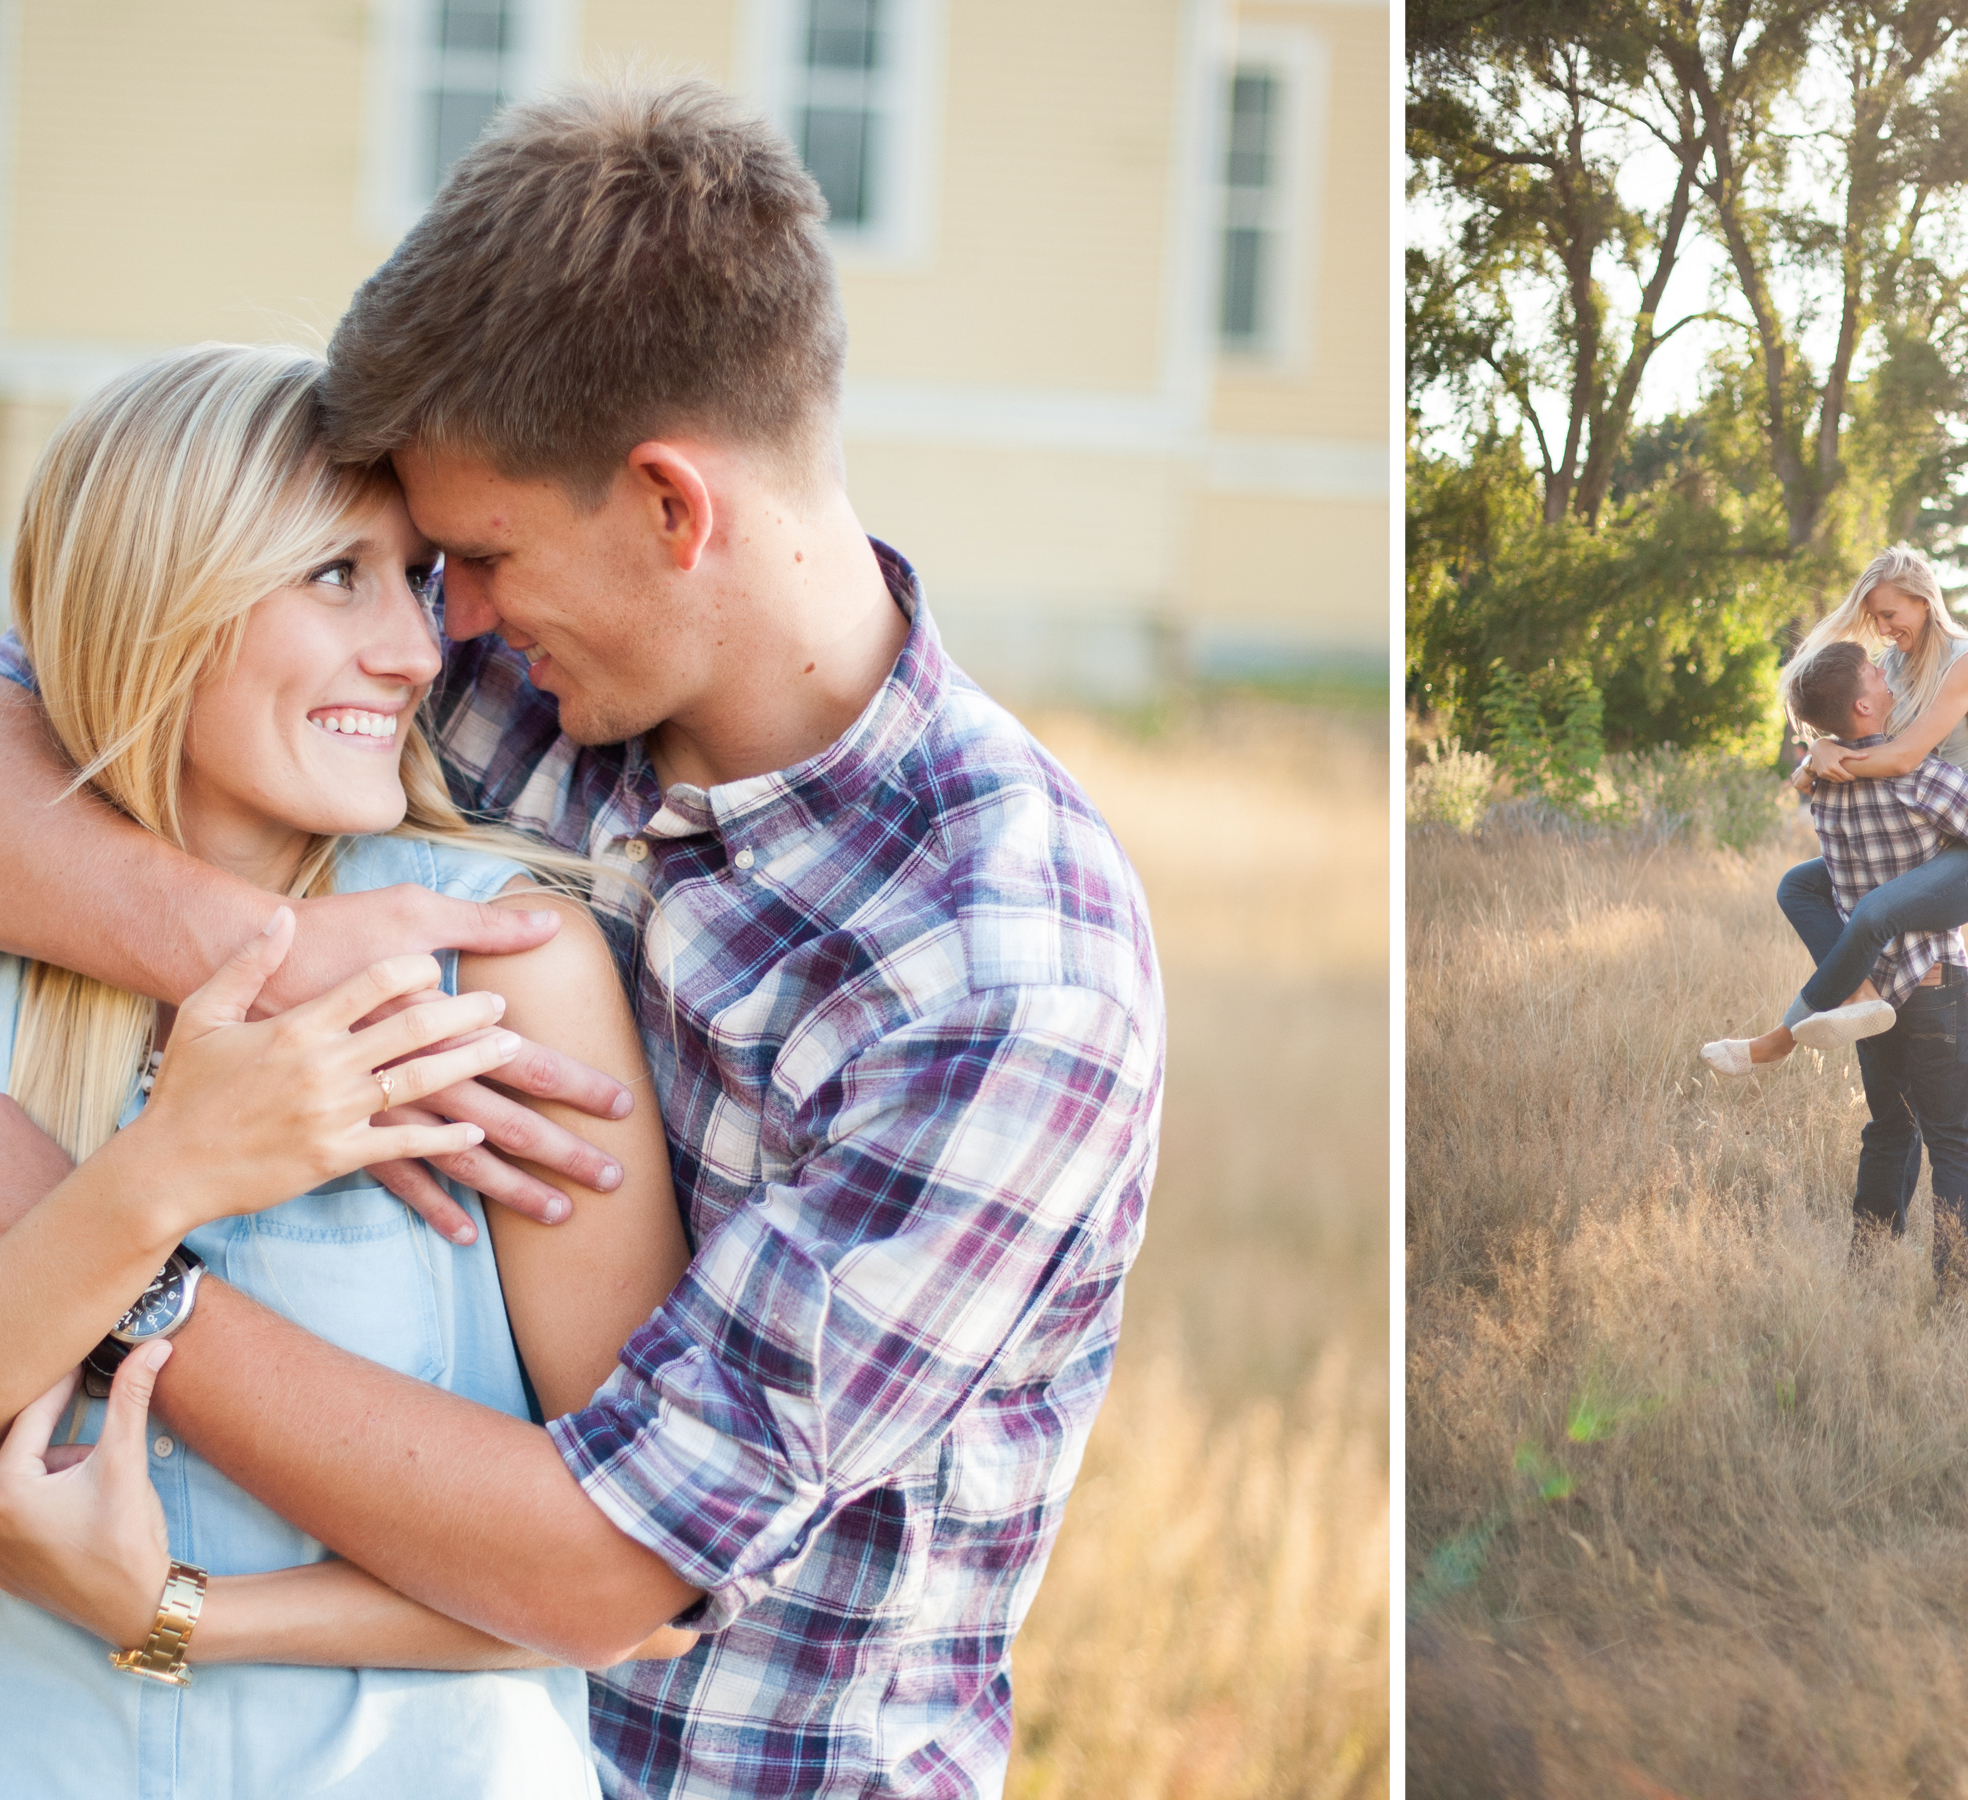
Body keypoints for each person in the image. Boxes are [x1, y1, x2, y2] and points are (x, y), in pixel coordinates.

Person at [0, 80, 1162, 1800]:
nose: (430, 632)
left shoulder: (1004, 971)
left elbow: (611, 1566)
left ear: (672, 507)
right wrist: (250, 946)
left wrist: (118, 1233)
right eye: (395, 571)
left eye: (469, 557)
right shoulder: (505, 683)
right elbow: (94, 693)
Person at [0, 343, 696, 1794]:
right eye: (335, 577)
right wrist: (169, 1171)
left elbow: (637, 1578)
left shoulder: (508, 967)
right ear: (155, 599)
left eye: (415, 583)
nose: (417, 653)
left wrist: (181, 1621)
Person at [1771, 639, 1968, 1295]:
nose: (1888, 676)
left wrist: (1820, 753)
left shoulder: (1823, 787)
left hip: (1874, 994)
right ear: (1864, 704)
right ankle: (1952, 1299)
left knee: (1888, 1132)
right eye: (1875, 673)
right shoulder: (1919, 777)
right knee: (1953, 1144)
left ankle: (1864, 1279)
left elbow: (1829, 876)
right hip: (1932, 984)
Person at [1703, 546, 1968, 1073]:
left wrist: (1827, 756)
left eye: (1889, 614)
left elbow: (1901, 758)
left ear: (1923, 602)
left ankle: (1781, 1039)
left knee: (1874, 910)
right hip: (1931, 835)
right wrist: (1819, 751)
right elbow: (1858, 733)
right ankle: (1864, 992)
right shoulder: (1893, 663)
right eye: (1873, 616)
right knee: (1799, 886)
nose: (1880, 628)